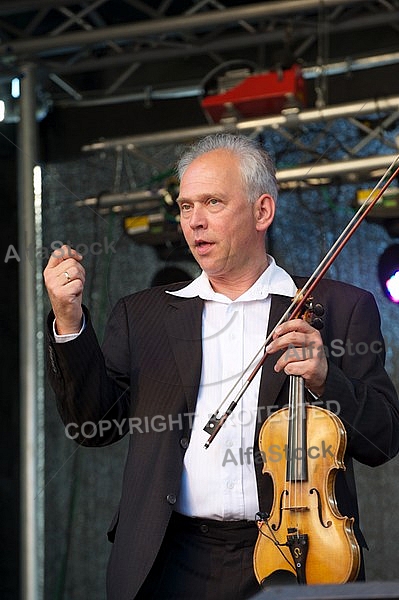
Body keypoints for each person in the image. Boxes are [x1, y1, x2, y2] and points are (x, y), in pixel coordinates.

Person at [44, 133, 399, 600]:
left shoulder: (340, 307)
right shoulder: (144, 314)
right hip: (170, 557)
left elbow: (384, 438)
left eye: (212, 202)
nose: (195, 221)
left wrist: (325, 377)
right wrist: (69, 321)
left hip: (298, 551)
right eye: (186, 206)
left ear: (262, 212)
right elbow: (94, 423)